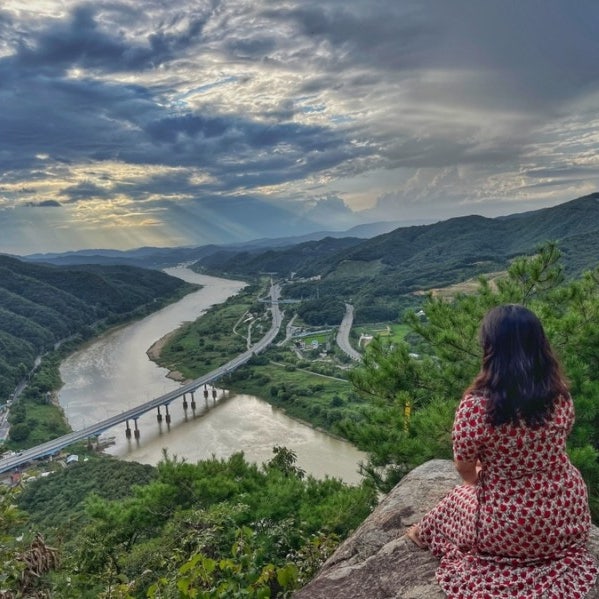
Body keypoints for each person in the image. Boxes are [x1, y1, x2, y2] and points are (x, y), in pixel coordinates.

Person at [406, 304, 598, 598]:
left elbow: (464, 467)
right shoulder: (560, 395)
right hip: (565, 518)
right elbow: (559, 441)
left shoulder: (478, 405)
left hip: (507, 528)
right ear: (540, 346)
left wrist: (483, 476)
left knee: (457, 498)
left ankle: (421, 532)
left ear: (491, 348)